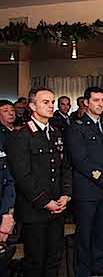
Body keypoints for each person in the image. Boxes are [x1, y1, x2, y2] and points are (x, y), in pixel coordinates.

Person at [6, 87, 72, 277]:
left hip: (57, 208)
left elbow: (65, 167)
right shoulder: (21, 136)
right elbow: (23, 176)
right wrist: (45, 202)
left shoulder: (56, 133)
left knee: (54, 258)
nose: (51, 106)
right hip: (34, 210)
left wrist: (66, 194)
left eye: (52, 102)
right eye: (45, 102)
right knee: (35, 261)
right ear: (32, 106)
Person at [65, 87, 103, 277]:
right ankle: (82, 271)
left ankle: (98, 265)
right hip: (87, 190)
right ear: (86, 103)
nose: (100, 104)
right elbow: (79, 159)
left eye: (102, 100)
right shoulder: (76, 127)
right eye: (96, 100)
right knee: (84, 234)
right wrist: (102, 177)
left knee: (101, 231)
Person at [0, 102, 16, 276]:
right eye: (5, 111)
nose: (11, 113)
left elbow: (9, 179)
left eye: (12, 110)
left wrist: (7, 212)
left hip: (9, 199)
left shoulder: (18, 133)